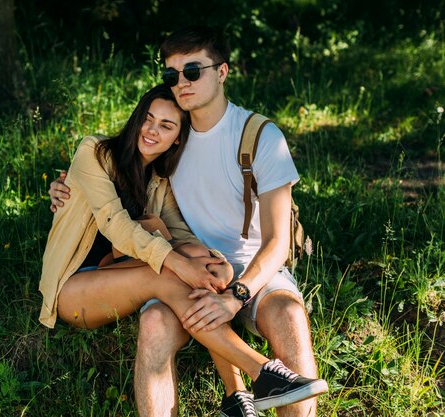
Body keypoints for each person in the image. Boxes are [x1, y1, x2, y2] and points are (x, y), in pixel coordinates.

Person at [48, 27, 325, 417]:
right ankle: (256, 377)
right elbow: (114, 211)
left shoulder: (248, 140)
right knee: (162, 301)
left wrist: (226, 282)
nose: (182, 82)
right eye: (171, 75)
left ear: (222, 72)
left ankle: (244, 393)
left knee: (287, 315)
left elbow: (266, 241)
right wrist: (65, 186)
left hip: (241, 272)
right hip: (128, 276)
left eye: (193, 71)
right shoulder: (130, 152)